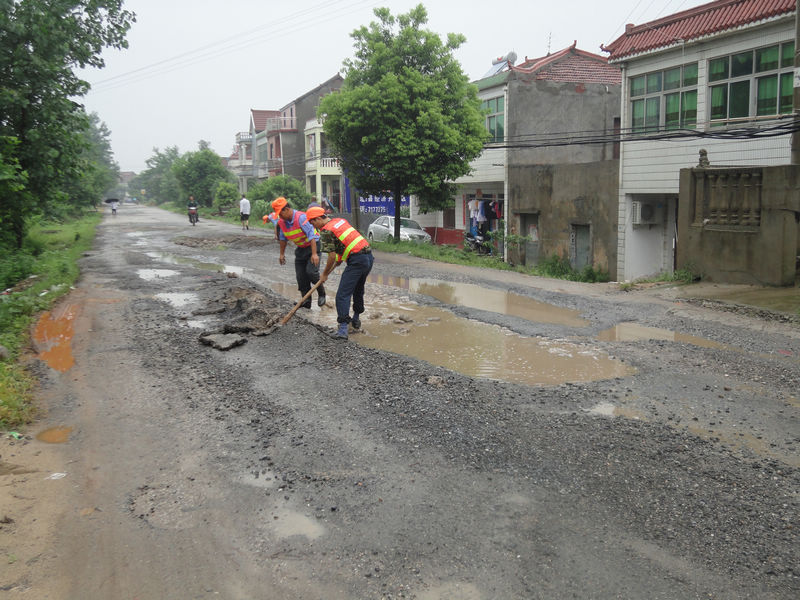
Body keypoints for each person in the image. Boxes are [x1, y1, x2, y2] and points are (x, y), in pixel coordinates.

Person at [306, 206, 373, 340]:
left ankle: (342, 330)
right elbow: (345, 243)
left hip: (357, 260)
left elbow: (331, 256)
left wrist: (324, 274)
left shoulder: (325, 231)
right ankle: (356, 319)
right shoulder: (340, 221)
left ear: (319, 218)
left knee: (342, 295)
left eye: (313, 223)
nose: (314, 227)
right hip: (368, 257)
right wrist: (340, 258)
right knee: (358, 290)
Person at [272, 197, 326, 309]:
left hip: (313, 246)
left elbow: (312, 236)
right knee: (301, 277)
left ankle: (322, 293)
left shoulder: (301, 218)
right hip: (300, 249)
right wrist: (282, 254)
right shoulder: (282, 222)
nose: (280, 217)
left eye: (280, 214)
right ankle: (306, 302)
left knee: (311, 272)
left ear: (286, 209)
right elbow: (283, 238)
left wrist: (314, 254)